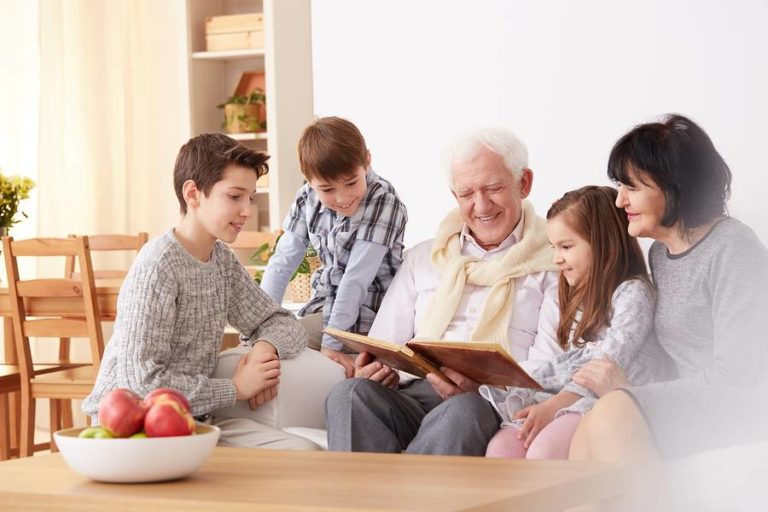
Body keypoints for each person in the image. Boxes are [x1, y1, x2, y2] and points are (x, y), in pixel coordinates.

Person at [325, 128, 563, 455]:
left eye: (493, 188)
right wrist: (375, 369)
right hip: (413, 393)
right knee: (349, 394)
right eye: (467, 194)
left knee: (465, 410)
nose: (481, 205)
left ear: (523, 183)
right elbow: (386, 344)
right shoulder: (426, 256)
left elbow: (550, 368)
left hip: (487, 402)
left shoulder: (554, 261)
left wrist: (484, 389)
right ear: (455, 196)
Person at [83, 133, 317, 450]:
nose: (247, 210)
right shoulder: (158, 265)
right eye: (235, 197)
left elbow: (281, 321)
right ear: (193, 193)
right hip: (131, 429)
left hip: (193, 421)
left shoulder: (221, 261)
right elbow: (141, 383)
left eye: (250, 197)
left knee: (303, 452)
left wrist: (265, 348)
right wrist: (235, 388)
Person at [568, 114, 768, 465]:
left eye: (631, 188)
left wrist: (633, 394)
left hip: (742, 403)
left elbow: (738, 372)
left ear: (673, 187)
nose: (620, 202)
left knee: (616, 409)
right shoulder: (660, 253)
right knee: (589, 425)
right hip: (691, 405)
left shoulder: (733, 246)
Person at [482, 186, 668, 460]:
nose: (557, 258)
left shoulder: (634, 293)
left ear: (603, 243)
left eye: (566, 247)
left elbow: (610, 361)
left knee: (544, 451)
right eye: (554, 248)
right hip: (568, 394)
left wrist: (554, 406)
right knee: (500, 450)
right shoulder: (576, 295)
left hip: (604, 396)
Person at [260, 116, 407, 377]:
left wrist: (331, 344)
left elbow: (355, 280)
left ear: (367, 161)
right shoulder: (307, 197)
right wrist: (259, 325)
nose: (342, 198)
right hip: (321, 308)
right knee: (263, 345)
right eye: (327, 189)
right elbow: (282, 262)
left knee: (276, 347)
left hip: (366, 316)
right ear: (309, 179)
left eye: (352, 183)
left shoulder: (383, 200)